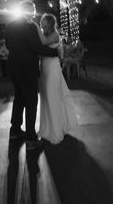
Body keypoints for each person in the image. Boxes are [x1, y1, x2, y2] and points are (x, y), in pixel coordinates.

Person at [5, 0, 59, 150]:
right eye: (33, 10)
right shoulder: (29, 27)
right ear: (27, 11)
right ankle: (30, 139)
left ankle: (14, 131)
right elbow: (37, 47)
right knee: (31, 103)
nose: (34, 13)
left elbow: (8, 45)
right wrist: (55, 52)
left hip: (14, 69)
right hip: (27, 70)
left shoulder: (9, 26)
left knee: (19, 99)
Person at [35, 13, 78, 144]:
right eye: (41, 21)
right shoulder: (45, 33)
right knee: (46, 99)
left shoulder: (54, 34)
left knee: (52, 97)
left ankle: (56, 131)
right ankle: (47, 128)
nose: (41, 22)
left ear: (49, 23)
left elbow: (42, 42)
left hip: (53, 69)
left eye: (43, 21)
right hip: (44, 69)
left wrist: (34, 26)